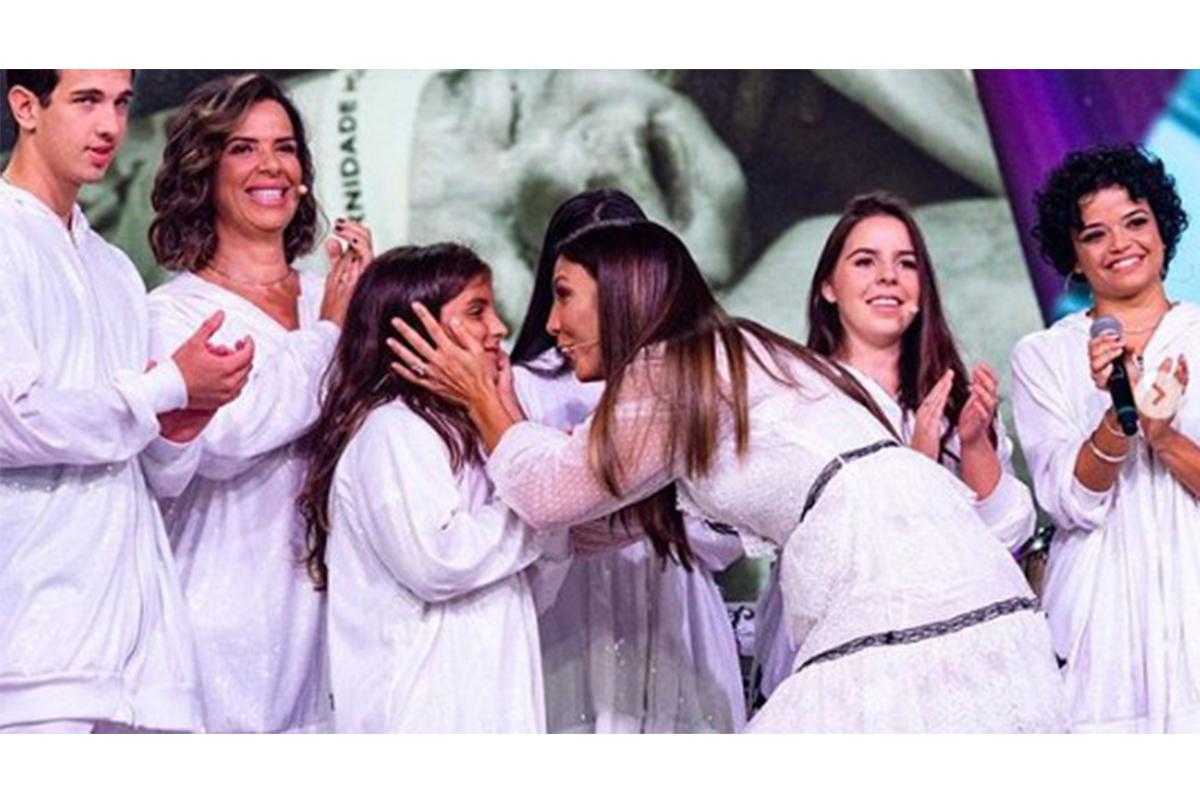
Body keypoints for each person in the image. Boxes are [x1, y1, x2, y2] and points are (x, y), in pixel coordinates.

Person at [390, 219, 1066, 733]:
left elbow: (550, 495)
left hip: (891, 589)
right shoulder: (732, 349)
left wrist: (481, 397)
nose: (550, 322)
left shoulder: (671, 365)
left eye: (565, 296)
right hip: (950, 578)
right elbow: (605, 522)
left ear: (619, 293)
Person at [0, 69, 252, 733]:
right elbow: (12, 419)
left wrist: (181, 423)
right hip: (31, 658)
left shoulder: (114, 268)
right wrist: (166, 385)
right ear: (25, 106)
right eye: (86, 101)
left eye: (120, 103)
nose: (110, 125)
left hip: (141, 665)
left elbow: (150, 474)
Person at [144, 74, 372, 733]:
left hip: (344, 617)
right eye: (242, 148)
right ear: (203, 170)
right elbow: (229, 435)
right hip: (227, 619)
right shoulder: (174, 314)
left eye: (285, 147)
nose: (270, 165)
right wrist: (331, 335)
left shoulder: (332, 294)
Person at [751, 191, 1037, 703]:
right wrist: (916, 467)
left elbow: (1005, 533)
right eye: (865, 261)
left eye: (906, 264)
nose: (888, 277)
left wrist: (974, 445)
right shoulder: (797, 404)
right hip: (840, 662)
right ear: (828, 287)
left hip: (950, 658)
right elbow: (812, 547)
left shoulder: (950, 401)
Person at [300, 244, 565, 733]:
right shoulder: (392, 430)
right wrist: (537, 498)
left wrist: (516, 432)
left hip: (491, 702)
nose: (499, 328)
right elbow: (439, 562)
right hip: (421, 712)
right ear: (415, 331)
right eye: (476, 311)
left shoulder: (476, 433)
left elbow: (539, 583)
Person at [510, 189, 746, 733]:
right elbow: (535, 513)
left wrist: (648, 502)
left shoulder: (688, 376)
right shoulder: (525, 385)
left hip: (676, 610)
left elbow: (728, 535)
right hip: (572, 621)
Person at [1012, 143, 1200, 732]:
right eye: (1095, 234)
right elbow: (1068, 501)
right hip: (1102, 631)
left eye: (1136, 222)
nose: (1120, 243)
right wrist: (1119, 421)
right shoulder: (1044, 356)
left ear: (1163, 231)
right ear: (1073, 255)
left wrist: (1164, 438)